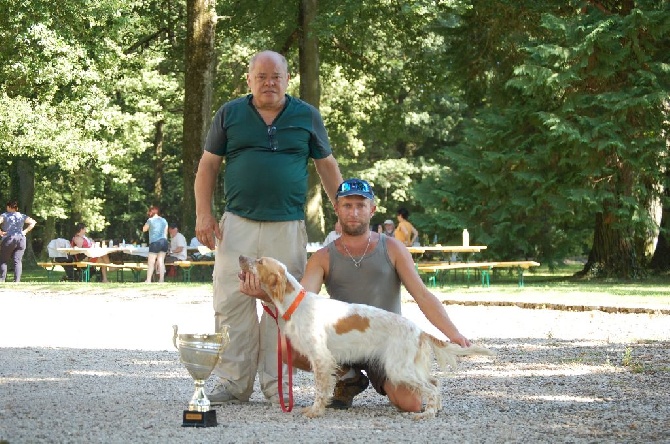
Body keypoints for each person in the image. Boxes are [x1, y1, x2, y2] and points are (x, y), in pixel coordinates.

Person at [239, 178, 472, 412]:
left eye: (361, 206)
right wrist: (265, 293)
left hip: (384, 342)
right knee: (287, 345)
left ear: (372, 210)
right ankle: (348, 378)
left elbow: (422, 295)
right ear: (337, 208)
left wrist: (454, 334)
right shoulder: (323, 256)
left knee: (411, 404)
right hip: (342, 344)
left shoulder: (392, 248)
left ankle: (400, 380)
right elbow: (300, 301)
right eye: (347, 205)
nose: (354, 212)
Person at [194, 49, 343, 405]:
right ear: (249, 79)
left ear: (287, 78)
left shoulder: (306, 115)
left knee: (284, 305)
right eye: (261, 76)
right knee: (232, 302)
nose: (268, 83)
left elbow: (326, 165)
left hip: (287, 226)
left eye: (275, 76)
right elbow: (208, 166)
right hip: (238, 224)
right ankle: (233, 383)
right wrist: (203, 212)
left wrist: (341, 208)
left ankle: (278, 385)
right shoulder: (230, 114)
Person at [0, 200, 37, 283]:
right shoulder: (22, 216)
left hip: (9, 239)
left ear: (9, 207)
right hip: (21, 239)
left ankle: (2, 279)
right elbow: (33, 222)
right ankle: (17, 281)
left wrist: (0, 232)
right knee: (17, 260)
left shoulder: (5, 215)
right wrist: (25, 232)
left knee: (3, 260)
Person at [142, 206, 168, 283]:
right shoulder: (164, 220)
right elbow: (165, 232)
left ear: (151, 212)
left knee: (151, 262)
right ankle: (161, 280)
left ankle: (148, 280)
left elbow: (144, 229)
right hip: (164, 241)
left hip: (155, 242)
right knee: (161, 261)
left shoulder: (150, 220)